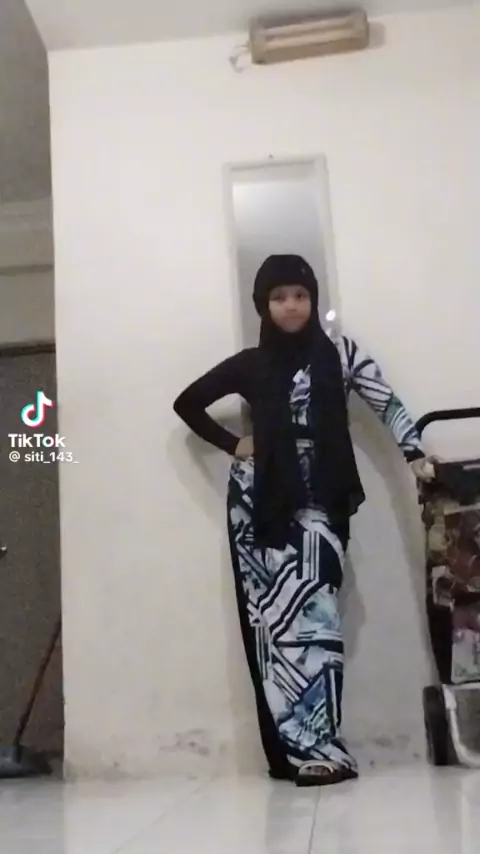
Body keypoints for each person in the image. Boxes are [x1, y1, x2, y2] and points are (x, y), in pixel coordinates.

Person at [174, 254, 432, 787]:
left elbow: (387, 403)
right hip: (260, 502)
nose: (291, 306)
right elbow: (188, 402)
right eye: (279, 297)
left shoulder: (341, 355)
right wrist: (234, 444)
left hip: (321, 499)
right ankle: (297, 751)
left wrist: (415, 454)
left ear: (313, 300)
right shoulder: (251, 363)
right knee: (273, 626)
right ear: (263, 306)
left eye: (300, 295)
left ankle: (323, 745)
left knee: (317, 618)